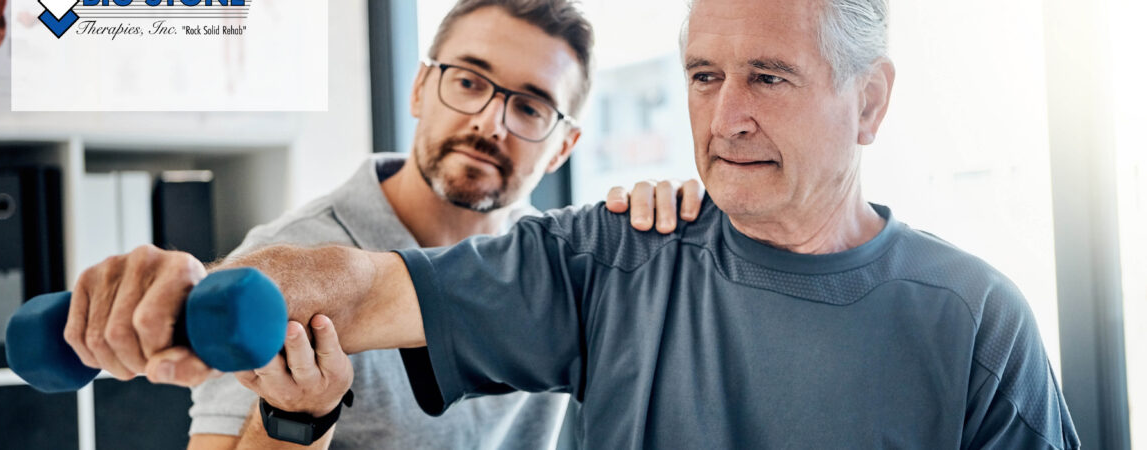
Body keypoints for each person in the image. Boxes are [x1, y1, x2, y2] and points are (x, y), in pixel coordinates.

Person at [63, 0, 1081, 448]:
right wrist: (202, 293)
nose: (726, 117)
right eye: (704, 76)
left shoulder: (973, 319)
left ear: (870, 102)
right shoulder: (610, 255)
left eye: (769, 78)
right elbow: (367, 284)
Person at [112, 1, 700, 449]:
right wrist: (296, 419)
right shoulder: (288, 263)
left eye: (529, 107)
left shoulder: (561, 266)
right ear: (420, 88)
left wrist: (675, 229)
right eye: (468, 81)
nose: (490, 122)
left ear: (563, 148)